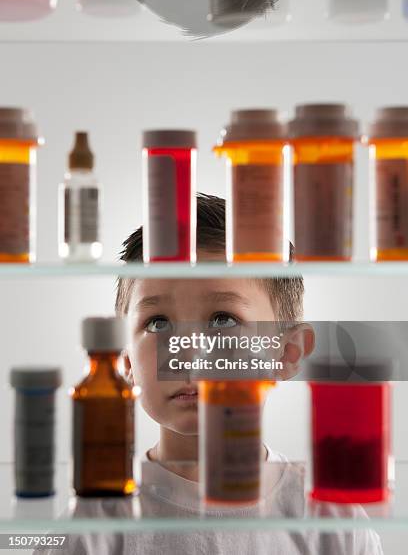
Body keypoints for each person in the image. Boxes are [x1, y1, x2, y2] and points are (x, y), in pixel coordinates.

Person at [36, 193, 383, 555]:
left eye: (223, 319)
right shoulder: (85, 532)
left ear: (287, 352)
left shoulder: (333, 522)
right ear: (125, 364)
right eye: (158, 324)